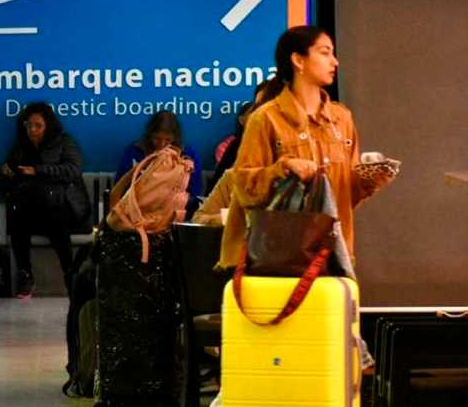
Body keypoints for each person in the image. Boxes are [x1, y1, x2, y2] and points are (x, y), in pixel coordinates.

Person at [218, 25, 396, 269]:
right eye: (325, 52)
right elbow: (244, 186)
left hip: (332, 254)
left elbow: (344, 198)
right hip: (279, 257)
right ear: (298, 60)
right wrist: (283, 168)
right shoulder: (266, 118)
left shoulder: (342, 119)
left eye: (333, 53)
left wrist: (368, 179)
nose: (334, 61)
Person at [0, 102, 89, 298]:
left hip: (64, 207)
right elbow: (4, 179)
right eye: (29, 125)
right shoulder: (21, 147)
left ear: (48, 125)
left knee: (55, 217)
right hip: (31, 210)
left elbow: (73, 169)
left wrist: (38, 171)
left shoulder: (63, 142)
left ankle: (70, 274)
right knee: (17, 217)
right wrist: (7, 175)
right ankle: (25, 275)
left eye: (38, 125)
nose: (32, 130)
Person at [114, 110, 203, 214]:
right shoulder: (134, 152)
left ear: (175, 138)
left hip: (174, 213)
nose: (162, 144)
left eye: (168, 140)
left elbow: (195, 194)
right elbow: (120, 189)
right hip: (138, 211)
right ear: (150, 135)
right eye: (156, 139)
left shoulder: (187, 155)